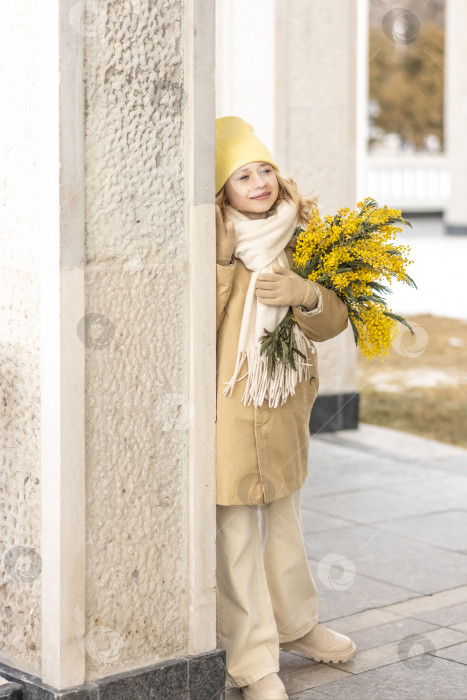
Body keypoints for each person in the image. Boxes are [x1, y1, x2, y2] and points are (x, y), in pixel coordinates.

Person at [215, 116, 356, 700]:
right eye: (242, 174)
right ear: (223, 191)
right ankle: (251, 663)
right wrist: (224, 266)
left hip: (287, 405)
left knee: (285, 524)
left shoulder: (304, 235)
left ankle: (297, 626)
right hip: (231, 404)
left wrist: (308, 293)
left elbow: (336, 320)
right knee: (237, 534)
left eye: (265, 169)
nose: (258, 182)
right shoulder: (217, 240)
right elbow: (188, 322)